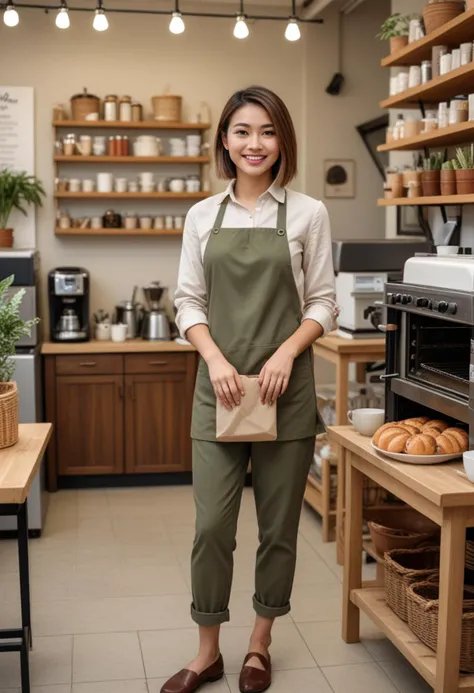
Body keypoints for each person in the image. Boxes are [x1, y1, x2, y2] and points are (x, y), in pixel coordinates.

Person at [162, 85, 337, 693]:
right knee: (211, 526)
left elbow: (323, 302)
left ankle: (259, 645)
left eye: (266, 131)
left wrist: (289, 350)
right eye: (241, 131)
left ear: (282, 140)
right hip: (221, 390)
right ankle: (207, 649)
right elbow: (187, 300)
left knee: (278, 530)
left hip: (285, 391)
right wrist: (212, 358)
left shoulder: (309, 213)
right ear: (225, 141)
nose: (254, 143)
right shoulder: (202, 216)